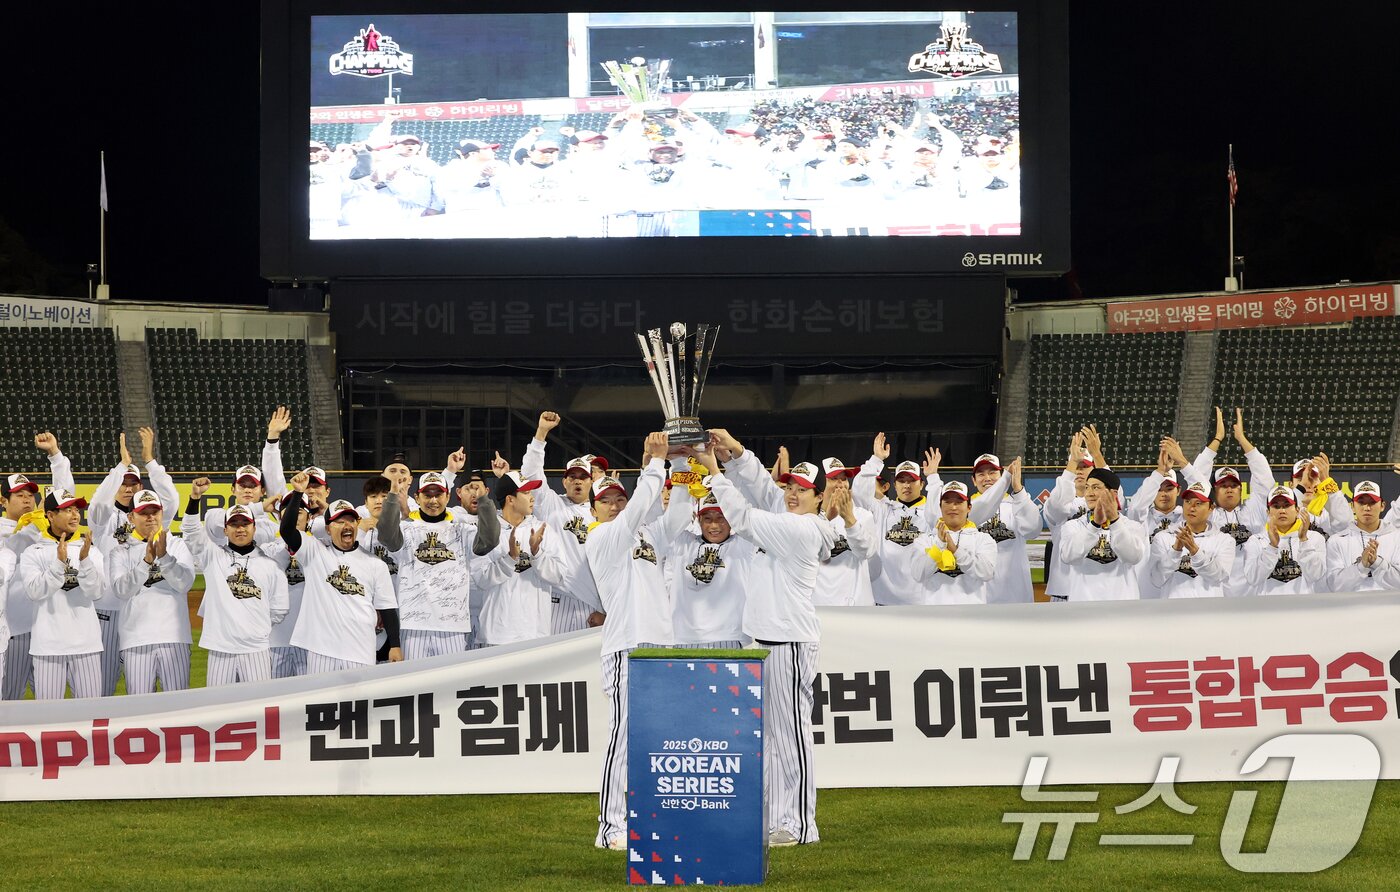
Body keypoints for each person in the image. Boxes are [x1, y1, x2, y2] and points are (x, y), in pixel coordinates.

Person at [699, 428, 839, 847]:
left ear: (819, 498)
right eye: (790, 486)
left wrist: (713, 472)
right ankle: (776, 818)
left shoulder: (802, 530)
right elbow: (762, 489)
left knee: (789, 737)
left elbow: (741, 516)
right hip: (761, 642)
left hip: (786, 644)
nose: (792, 494)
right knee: (768, 738)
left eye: (802, 489)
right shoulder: (785, 517)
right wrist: (737, 452)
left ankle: (797, 825)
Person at [584, 432, 673, 851]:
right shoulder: (601, 538)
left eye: (620, 499)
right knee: (621, 741)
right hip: (625, 646)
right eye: (607, 500)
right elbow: (641, 507)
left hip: (658, 646)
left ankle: (648, 817)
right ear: (594, 509)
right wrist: (654, 465)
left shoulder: (647, 536)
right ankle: (610, 828)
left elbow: (670, 516)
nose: (617, 505)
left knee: (655, 741)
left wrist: (689, 470)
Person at [87, 427, 179, 695]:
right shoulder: (103, 522)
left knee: (143, 687)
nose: (127, 488)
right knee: (102, 687)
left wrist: (150, 461)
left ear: (140, 487)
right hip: (108, 610)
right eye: (123, 484)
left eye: (132, 484)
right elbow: (97, 505)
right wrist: (121, 467)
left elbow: (172, 500)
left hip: (141, 611)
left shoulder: (151, 520)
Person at [281, 473, 401, 673]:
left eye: (351, 520)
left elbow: (387, 608)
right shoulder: (314, 552)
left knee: (360, 704)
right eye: (339, 521)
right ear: (328, 529)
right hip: (322, 650)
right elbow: (287, 531)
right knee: (321, 703)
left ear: (356, 523)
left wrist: (395, 645)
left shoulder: (375, 564)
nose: (347, 525)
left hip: (361, 650)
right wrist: (297, 493)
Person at [377, 471, 497, 659]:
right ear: (417, 498)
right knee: (414, 685)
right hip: (414, 625)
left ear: (448, 496)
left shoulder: (463, 530)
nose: (433, 500)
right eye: (427, 495)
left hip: (453, 626)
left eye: (438, 494)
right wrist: (392, 495)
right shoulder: (406, 529)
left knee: (452, 686)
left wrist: (484, 500)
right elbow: (385, 536)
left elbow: (489, 541)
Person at [184, 481, 288, 685]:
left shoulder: (270, 566)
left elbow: (279, 610)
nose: (240, 529)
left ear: (254, 527)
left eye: (244, 524)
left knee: (259, 709)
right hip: (220, 649)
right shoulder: (213, 557)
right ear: (225, 530)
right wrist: (195, 498)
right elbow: (191, 531)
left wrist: (255, 628)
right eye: (234, 524)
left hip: (256, 650)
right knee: (218, 710)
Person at [2, 432, 75, 700]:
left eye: (30, 494)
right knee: (11, 698)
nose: (27, 499)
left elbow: (64, 493)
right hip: (16, 631)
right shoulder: (4, 533)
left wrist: (55, 455)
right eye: (18, 494)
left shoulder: (41, 527)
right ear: (3, 501)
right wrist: (20, 530)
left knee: (53, 703)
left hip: (48, 630)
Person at [522, 412, 610, 633]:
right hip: (556, 599)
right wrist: (541, 432)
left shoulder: (600, 513)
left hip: (591, 604)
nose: (577, 480)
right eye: (572, 477)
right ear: (564, 481)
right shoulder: (551, 504)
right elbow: (531, 471)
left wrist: (605, 608)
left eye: (583, 477)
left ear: (592, 481)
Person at [19, 489, 103, 699]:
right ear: (50, 515)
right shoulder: (33, 552)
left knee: (90, 716)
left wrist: (84, 562)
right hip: (48, 647)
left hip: (87, 645)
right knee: (49, 719)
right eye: (67, 509)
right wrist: (58, 563)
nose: (75, 515)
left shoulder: (90, 550)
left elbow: (97, 592)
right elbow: (34, 592)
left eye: (77, 509)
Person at [109, 490, 195, 693]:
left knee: (178, 708)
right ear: (131, 517)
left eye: (154, 511)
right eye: (143, 512)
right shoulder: (120, 551)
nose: (150, 517)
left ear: (162, 513)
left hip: (174, 637)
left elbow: (185, 584)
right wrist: (146, 562)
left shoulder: (177, 545)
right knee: (140, 709)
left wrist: (164, 557)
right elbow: (121, 590)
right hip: (136, 639)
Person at [472, 470, 562, 648]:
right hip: (496, 635)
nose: (532, 498)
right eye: (526, 492)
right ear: (510, 499)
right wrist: (510, 558)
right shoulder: (485, 531)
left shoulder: (543, 529)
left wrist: (537, 554)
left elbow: (558, 576)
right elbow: (480, 580)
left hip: (535, 634)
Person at [854, 433, 932, 606]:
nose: (906, 485)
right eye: (901, 481)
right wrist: (876, 460)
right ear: (894, 485)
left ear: (922, 484)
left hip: (920, 600)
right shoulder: (883, 509)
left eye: (912, 481)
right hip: (882, 599)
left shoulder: (931, 513)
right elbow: (858, 494)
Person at [202, 406, 293, 546]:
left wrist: (272, 439)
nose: (248, 490)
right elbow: (214, 523)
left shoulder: (273, 527)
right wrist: (259, 507)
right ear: (233, 489)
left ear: (263, 490)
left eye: (253, 486)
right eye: (242, 485)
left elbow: (275, 478)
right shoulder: (218, 517)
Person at [1056, 467, 1147, 601]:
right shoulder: (1073, 526)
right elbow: (1068, 556)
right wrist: (1093, 526)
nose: (1089, 493)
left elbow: (1133, 556)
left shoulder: (1132, 527)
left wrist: (1115, 522)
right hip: (1083, 606)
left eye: (1096, 487)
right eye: (1087, 487)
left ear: (1114, 493)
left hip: (1122, 607)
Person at [962, 454, 1041, 604]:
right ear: (973, 480)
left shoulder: (1018, 501)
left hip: (1014, 592)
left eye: (992, 472)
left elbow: (1032, 530)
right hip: (978, 593)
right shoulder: (965, 508)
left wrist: (1018, 490)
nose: (987, 478)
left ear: (1001, 474)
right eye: (981, 474)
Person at [906, 481, 998, 604]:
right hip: (934, 615)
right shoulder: (925, 540)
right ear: (940, 507)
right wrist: (939, 545)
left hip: (972, 614)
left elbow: (986, 573)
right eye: (947, 502)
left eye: (959, 502)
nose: (953, 507)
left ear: (969, 507)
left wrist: (955, 550)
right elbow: (918, 574)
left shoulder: (983, 539)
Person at [1150, 482, 1235, 599]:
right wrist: (1175, 551)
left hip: (1209, 612)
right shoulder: (1163, 537)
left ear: (1211, 508)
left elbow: (1218, 576)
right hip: (1173, 612)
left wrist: (1195, 551)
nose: (1191, 508)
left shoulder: (1224, 540)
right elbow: (1156, 580)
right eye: (1187, 502)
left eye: (1198, 503)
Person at [1241, 485, 1327, 597]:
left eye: (1287, 505)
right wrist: (1272, 547)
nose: (1282, 511)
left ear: (1297, 510)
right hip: (1268, 610)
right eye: (1276, 506)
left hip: (1304, 608)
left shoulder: (1315, 538)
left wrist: (1303, 540)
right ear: (1268, 512)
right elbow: (1253, 579)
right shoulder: (1255, 540)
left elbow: (1316, 575)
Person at [1326, 481, 1399, 592]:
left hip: (1390, 607)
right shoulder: (1337, 541)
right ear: (1353, 506)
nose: (1367, 508)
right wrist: (1361, 566)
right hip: (1350, 607)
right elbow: (1335, 586)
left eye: (1372, 502)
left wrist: (1377, 563)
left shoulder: (1397, 538)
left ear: (1382, 506)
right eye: (1361, 502)